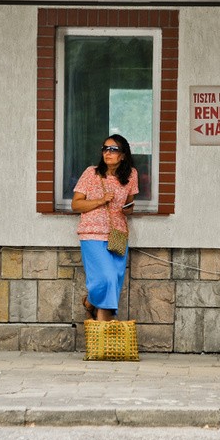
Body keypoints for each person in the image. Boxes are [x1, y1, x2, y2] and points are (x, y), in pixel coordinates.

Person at [71, 134, 138, 321]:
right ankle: (95, 311)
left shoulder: (131, 175)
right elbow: (76, 205)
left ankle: (95, 311)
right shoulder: (91, 173)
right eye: (105, 148)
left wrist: (128, 209)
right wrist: (101, 200)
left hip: (117, 235)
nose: (107, 153)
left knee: (114, 280)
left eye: (113, 149)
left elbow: (129, 203)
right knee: (105, 278)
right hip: (92, 233)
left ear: (123, 155)